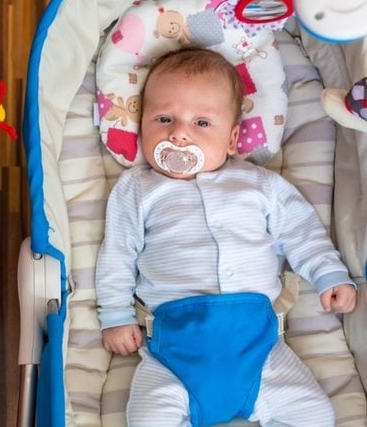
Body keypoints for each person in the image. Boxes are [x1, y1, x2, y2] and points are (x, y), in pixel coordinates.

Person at [95, 48, 356, 427]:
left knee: (315, 414)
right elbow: (117, 252)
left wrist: (328, 274)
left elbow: (303, 233)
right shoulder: (138, 188)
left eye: (201, 123)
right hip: (173, 353)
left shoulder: (260, 185)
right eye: (163, 118)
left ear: (232, 139)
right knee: (148, 417)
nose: (179, 133)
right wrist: (115, 314)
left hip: (261, 350)